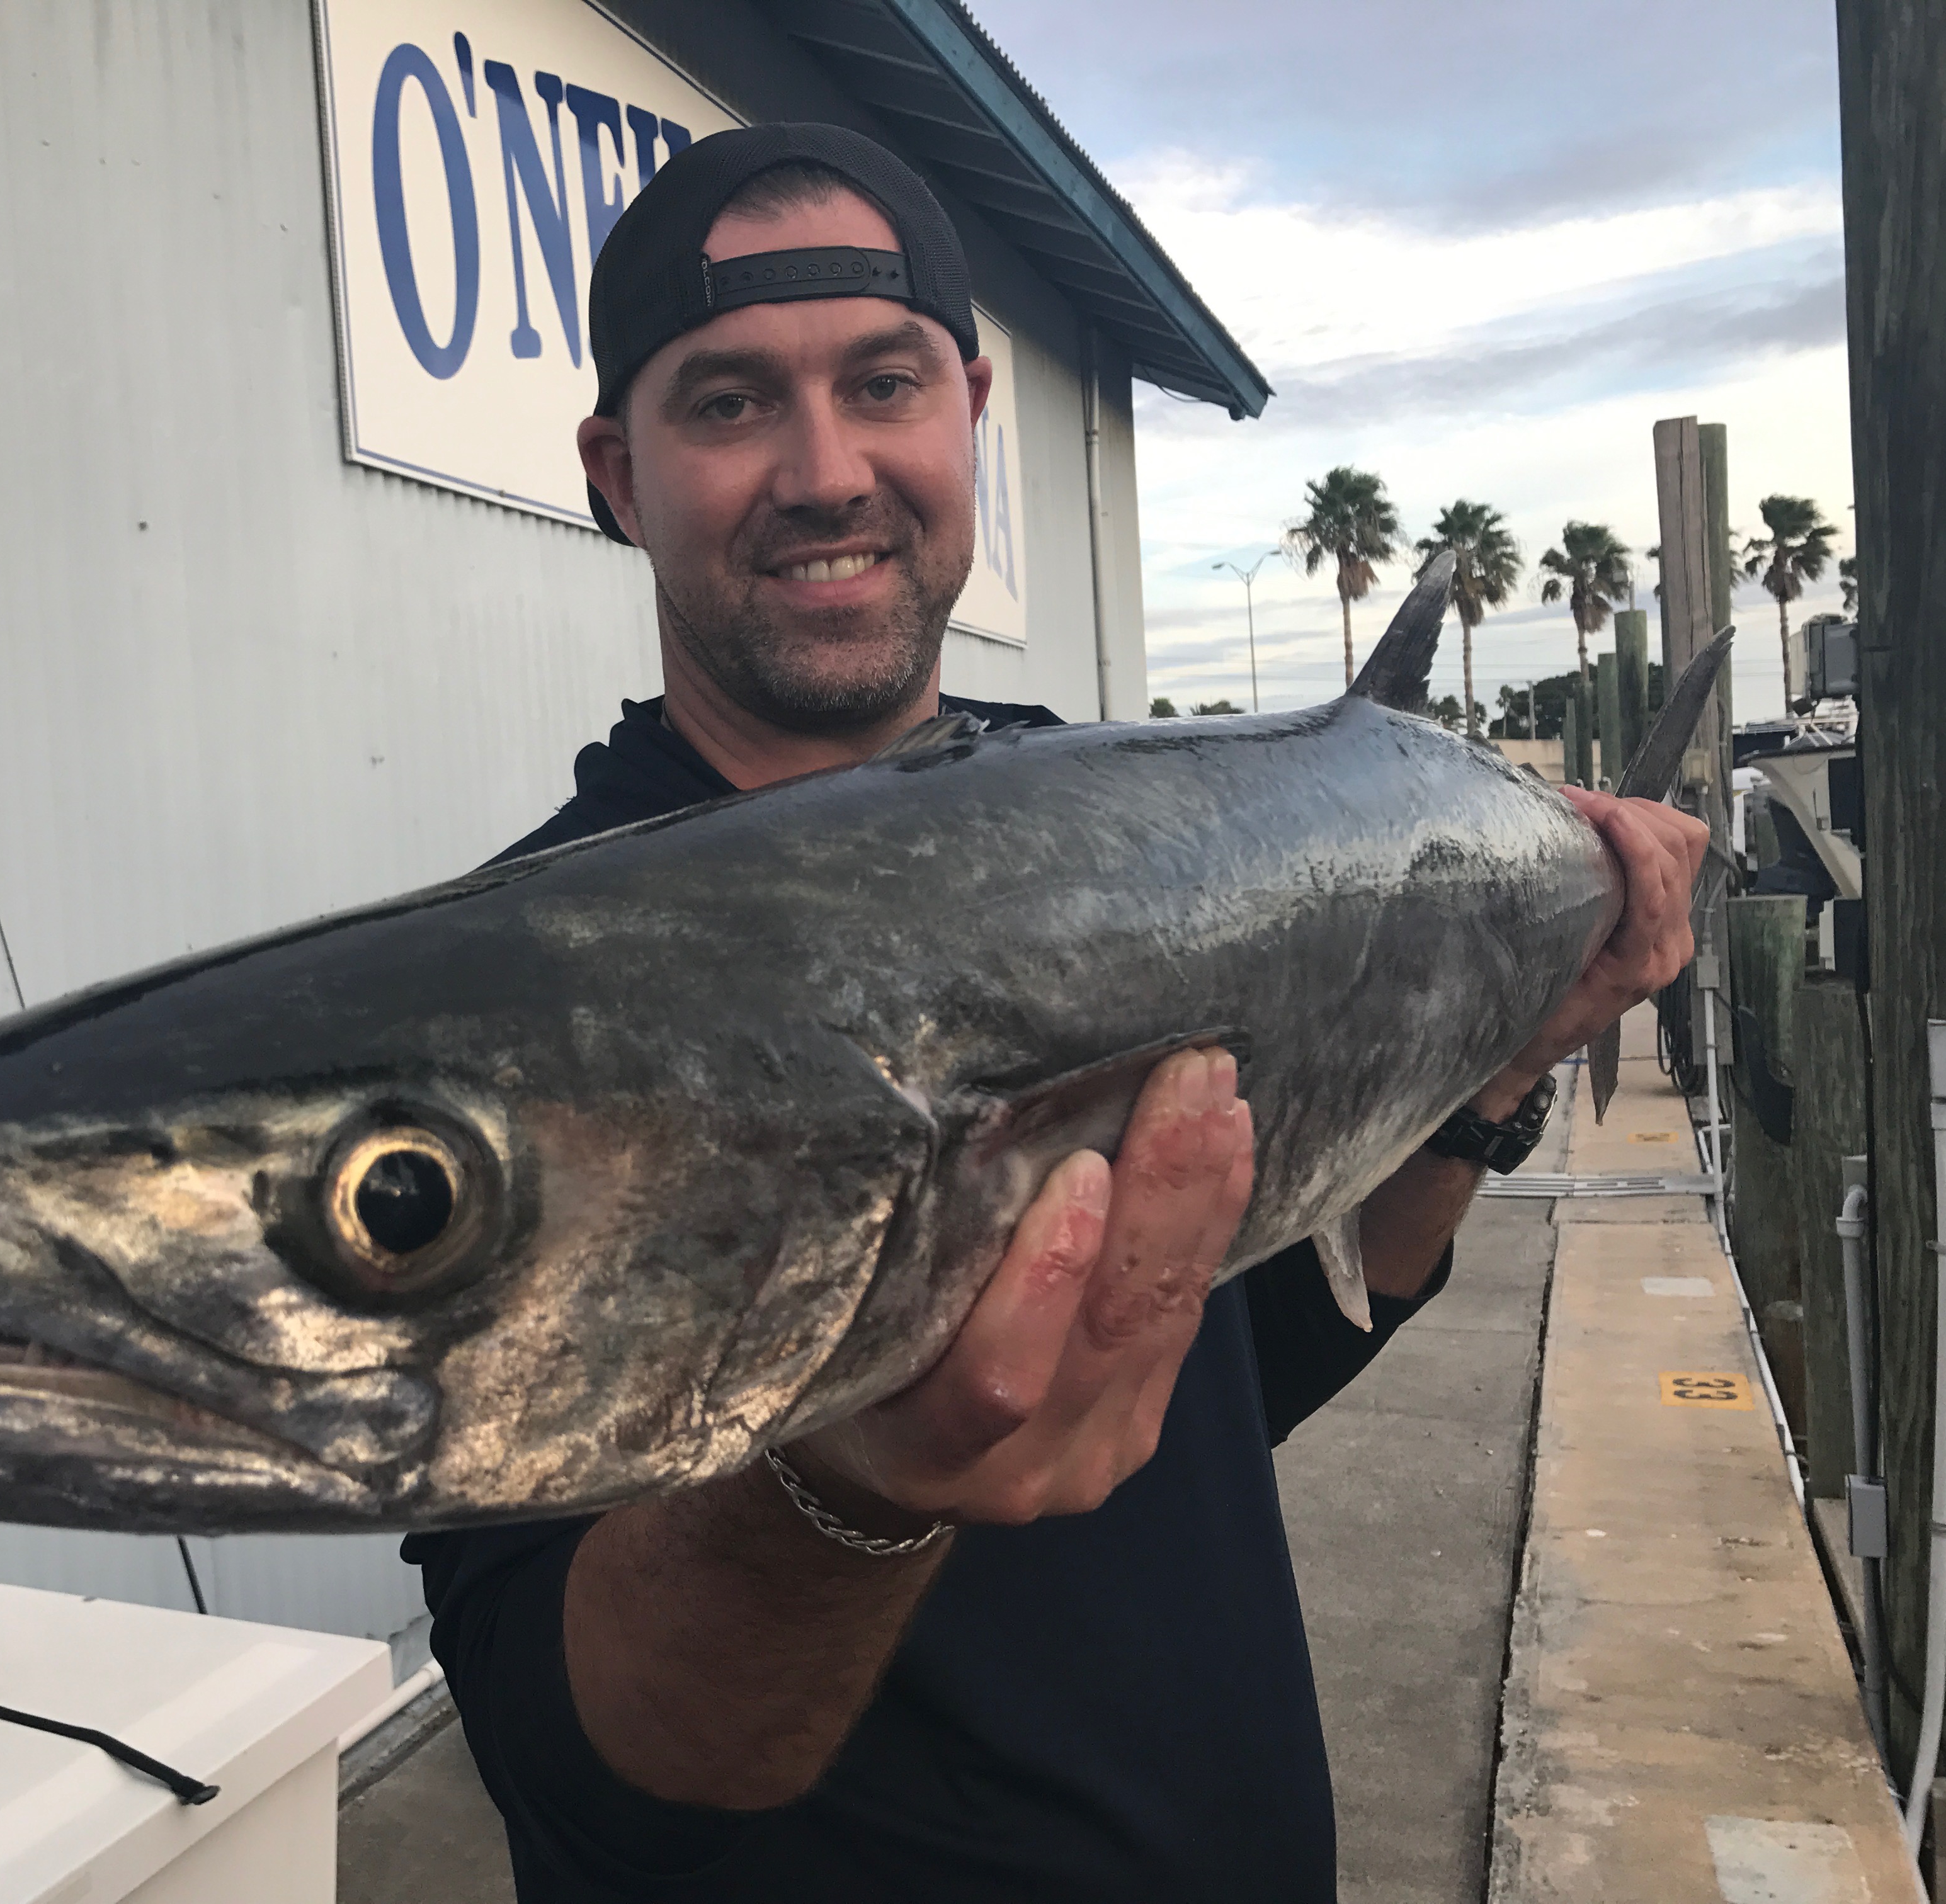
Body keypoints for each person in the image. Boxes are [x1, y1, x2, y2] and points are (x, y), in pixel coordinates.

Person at [406, 123, 1709, 1901]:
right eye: (726, 405)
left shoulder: (1143, 829)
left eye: (882, 383)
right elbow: (588, 1772)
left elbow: (1243, 1382)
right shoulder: (523, 1018)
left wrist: (1492, 1088)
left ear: (970, 419)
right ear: (616, 474)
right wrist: (852, 1483)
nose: (824, 469)